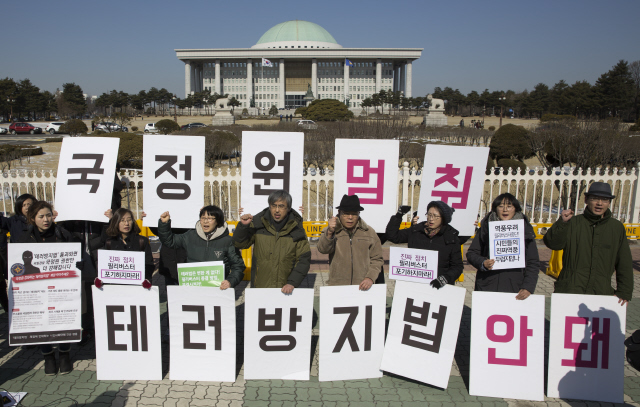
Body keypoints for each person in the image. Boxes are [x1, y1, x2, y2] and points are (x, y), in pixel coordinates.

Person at [543, 182, 633, 305]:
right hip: (570, 290)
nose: (599, 203)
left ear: (609, 203)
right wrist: (562, 223)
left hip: (601, 292)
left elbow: (624, 262)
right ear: (586, 200)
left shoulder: (616, 228)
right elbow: (553, 243)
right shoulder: (573, 223)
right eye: (595, 198)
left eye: (605, 200)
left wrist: (624, 291)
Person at [19, 201, 76, 375]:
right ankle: (48, 356)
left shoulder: (62, 234)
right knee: (41, 323)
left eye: (49, 215)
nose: (46, 220)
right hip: (35, 288)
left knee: (63, 319)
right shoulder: (24, 237)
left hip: (60, 286)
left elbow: (75, 252)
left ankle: (64, 353)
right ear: (32, 218)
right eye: (41, 216)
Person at [233, 190, 310, 293]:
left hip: (285, 289)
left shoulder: (296, 229)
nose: (277, 210)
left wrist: (292, 282)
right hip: (260, 287)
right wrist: (243, 226)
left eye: (281, 206)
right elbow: (240, 244)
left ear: (288, 208)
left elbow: (304, 259)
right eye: (273, 206)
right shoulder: (258, 224)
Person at [466, 193, 539, 300]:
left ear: (515, 209)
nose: (505, 210)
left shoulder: (524, 229)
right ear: (495, 209)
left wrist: (528, 287)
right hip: (487, 284)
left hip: (515, 286)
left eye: (509, 206)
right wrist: (483, 263)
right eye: (500, 206)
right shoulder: (486, 228)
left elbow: (533, 262)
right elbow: (471, 253)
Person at [156, 205, 245, 290]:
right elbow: (170, 241)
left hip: (218, 290)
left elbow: (238, 266)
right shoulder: (190, 236)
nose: (205, 221)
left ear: (218, 221)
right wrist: (164, 224)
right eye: (203, 218)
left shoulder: (227, 241)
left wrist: (230, 281)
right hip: (192, 289)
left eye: (210, 218)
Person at [386, 201, 463, 289]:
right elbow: (393, 236)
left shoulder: (450, 236)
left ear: (443, 218)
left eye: (435, 216)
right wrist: (398, 215)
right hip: (415, 284)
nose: (431, 219)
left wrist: (445, 278)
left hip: (440, 287)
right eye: (429, 215)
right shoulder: (417, 230)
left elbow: (457, 266)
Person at [317, 194, 383, 290]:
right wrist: (330, 232)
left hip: (363, 286)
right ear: (339, 212)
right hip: (337, 286)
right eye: (346, 213)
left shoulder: (369, 232)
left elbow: (377, 259)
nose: (350, 217)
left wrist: (370, 277)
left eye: (354, 213)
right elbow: (322, 249)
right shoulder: (331, 230)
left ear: (359, 214)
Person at [98, 208, 154, 287]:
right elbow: (105, 266)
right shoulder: (109, 242)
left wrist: (146, 279)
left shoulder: (142, 241)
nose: (126, 223)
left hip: (138, 287)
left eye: (129, 220)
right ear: (116, 222)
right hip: (116, 289)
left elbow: (149, 264)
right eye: (122, 220)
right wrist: (101, 279)